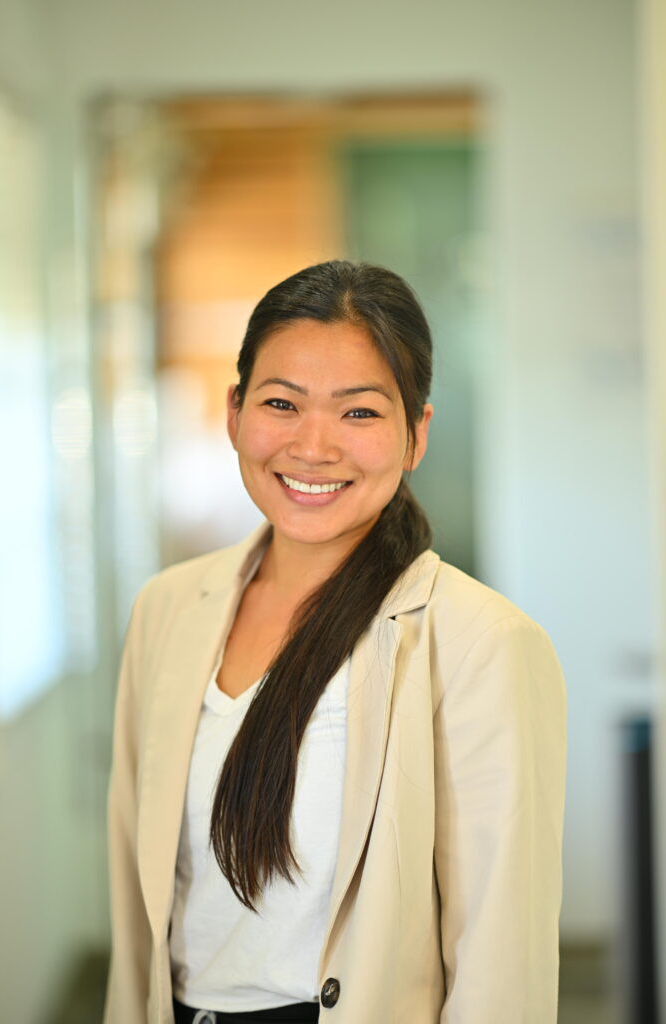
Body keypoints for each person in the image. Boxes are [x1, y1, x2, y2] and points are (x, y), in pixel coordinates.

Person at [103, 259, 567, 1024]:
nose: (313, 446)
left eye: (358, 412)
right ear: (234, 413)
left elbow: (500, 958)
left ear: (415, 434)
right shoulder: (167, 609)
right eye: (281, 403)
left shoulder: (480, 643)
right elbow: (136, 903)